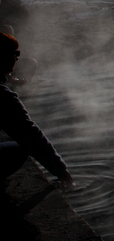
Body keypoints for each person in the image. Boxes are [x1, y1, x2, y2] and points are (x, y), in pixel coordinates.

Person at [0, 32, 73, 188]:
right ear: (3, 58)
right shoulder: (3, 97)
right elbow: (30, 135)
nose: (17, 58)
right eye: (15, 53)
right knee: (20, 150)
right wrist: (60, 170)